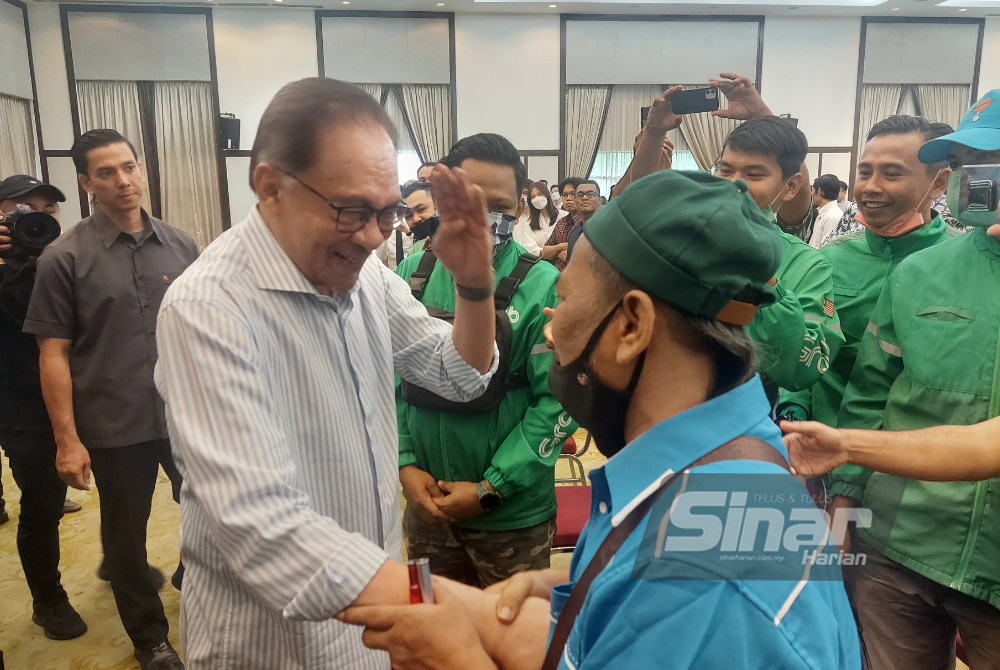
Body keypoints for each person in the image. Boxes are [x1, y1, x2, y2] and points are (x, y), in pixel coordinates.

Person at [341, 169, 862, 670]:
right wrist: (590, 594)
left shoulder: (703, 575)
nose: (550, 334)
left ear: (632, 325)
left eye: (565, 300)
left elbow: (687, 610)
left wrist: (458, 660)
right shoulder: (723, 466)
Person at [153, 77, 503, 670]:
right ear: (270, 187)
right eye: (350, 210)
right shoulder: (209, 308)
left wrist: (474, 283)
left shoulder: (364, 275)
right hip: (272, 643)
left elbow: (458, 373)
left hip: (372, 620)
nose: (371, 236)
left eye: (387, 211)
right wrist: (448, 606)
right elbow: (264, 526)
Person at [830, 90, 1000, 669]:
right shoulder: (919, 272)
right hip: (897, 546)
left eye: (996, 162)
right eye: (966, 164)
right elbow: (870, 393)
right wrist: (844, 505)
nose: (978, 178)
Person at [24, 129, 198, 670]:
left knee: (211, 512)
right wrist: (67, 440)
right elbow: (52, 354)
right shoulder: (64, 257)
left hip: (186, 416)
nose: (124, 181)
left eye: (129, 167)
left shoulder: (181, 244)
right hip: (115, 422)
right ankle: (150, 638)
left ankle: (202, 588)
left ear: (142, 169)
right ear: (85, 183)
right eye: (106, 172)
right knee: (126, 539)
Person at [395, 133, 572, 588]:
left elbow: (558, 401)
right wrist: (404, 463)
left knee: (513, 641)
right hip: (426, 509)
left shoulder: (544, 285)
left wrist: (492, 488)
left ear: (519, 207)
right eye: (471, 201)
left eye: (501, 206)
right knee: (429, 632)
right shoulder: (411, 276)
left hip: (511, 518)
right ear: (442, 198)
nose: (486, 217)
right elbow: (387, 380)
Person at [628, 81, 843, 404]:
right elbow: (640, 203)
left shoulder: (806, 265)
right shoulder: (687, 238)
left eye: (755, 175)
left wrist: (761, 274)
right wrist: (654, 134)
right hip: (654, 408)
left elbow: (801, 370)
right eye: (724, 170)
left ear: (790, 186)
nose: (735, 185)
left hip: (740, 422)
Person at [776, 117, 955, 428]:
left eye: (892, 174)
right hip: (823, 440)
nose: (871, 187)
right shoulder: (831, 259)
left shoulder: (962, 263)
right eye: (864, 172)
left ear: (938, 183)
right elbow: (805, 340)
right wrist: (794, 410)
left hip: (915, 457)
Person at [0, 175, 89, 641]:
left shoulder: (69, 259)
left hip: (87, 395)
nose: (36, 219)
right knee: (41, 506)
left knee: (120, 485)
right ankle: (47, 598)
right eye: (22, 210)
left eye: (47, 211)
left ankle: (121, 560)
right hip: (21, 407)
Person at [542, 178, 582, 271]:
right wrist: (560, 247)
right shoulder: (561, 222)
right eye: (565, 195)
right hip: (557, 275)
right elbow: (545, 252)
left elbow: (574, 256)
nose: (568, 198)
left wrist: (556, 252)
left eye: (573, 194)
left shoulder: (586, 221)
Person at [513, 181, 558, 256]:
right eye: (533, 196)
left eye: (526, 193)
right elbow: (531, 245)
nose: (537, 199)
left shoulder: (560, 216)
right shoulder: (514, 218)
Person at [564, 180, 600, 262]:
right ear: (575, 202)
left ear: (600, 200)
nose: (584, 198)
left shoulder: (608, 230)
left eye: (590, 194)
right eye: (580, 195)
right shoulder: (574, 233)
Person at [809, 174, 845, 248]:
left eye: (812, 191)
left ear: (819, 191)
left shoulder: (832, 217)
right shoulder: (823, 214)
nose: (811, 194)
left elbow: (827, 251)